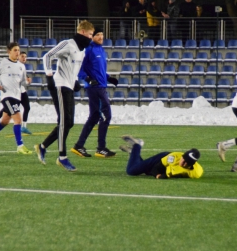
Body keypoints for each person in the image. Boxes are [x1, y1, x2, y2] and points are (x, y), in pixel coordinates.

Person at [34, 20, 94, 171]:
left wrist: (75, 81)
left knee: (69, 122)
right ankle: (62, 157)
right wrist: (49, 75)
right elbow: (48, 56)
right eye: (90, 34)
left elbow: (73, 69)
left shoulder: (82, 50)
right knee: (63, 121)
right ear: (82, 32)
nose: (91, 38)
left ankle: (42, 146)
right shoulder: (68, 44)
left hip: (68, 86)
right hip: (59, 85)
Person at [70, 27, 118, 158]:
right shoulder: (88, 49)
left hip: (101, 86)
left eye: (102, 34)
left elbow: (98, 69)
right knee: (106, 115)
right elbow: (79, 67)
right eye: (98, 35)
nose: (101, 37)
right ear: (92, 36)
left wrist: (109, 78)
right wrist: (87, 79)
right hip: (95, 88)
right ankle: (101, 148)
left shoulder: (100, 49)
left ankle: (79, 145)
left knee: (95, 116)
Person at [0, 42, 32, 154]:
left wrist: (27, 82)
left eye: (18, 50)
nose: (17, 52)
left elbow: (22, 82)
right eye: (15, 50)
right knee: (18, 119)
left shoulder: (21, 66)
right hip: (7, 96)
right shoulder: (3, 63)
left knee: (4, 121)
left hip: (17, 97)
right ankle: (20, 146)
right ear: (9, 51)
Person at [120, 135, 203, 179]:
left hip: (166, 168)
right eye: (183, 160)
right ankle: (137, 145)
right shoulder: (173, 157)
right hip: (161, 159)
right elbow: (156, 168)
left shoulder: (195, 172)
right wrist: (158, 175)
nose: (183, 164)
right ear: (182, 156)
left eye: (187, 164)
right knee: (131, 171)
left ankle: (133, 153)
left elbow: (175, 174)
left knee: (144, 170)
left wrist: (164, 176)